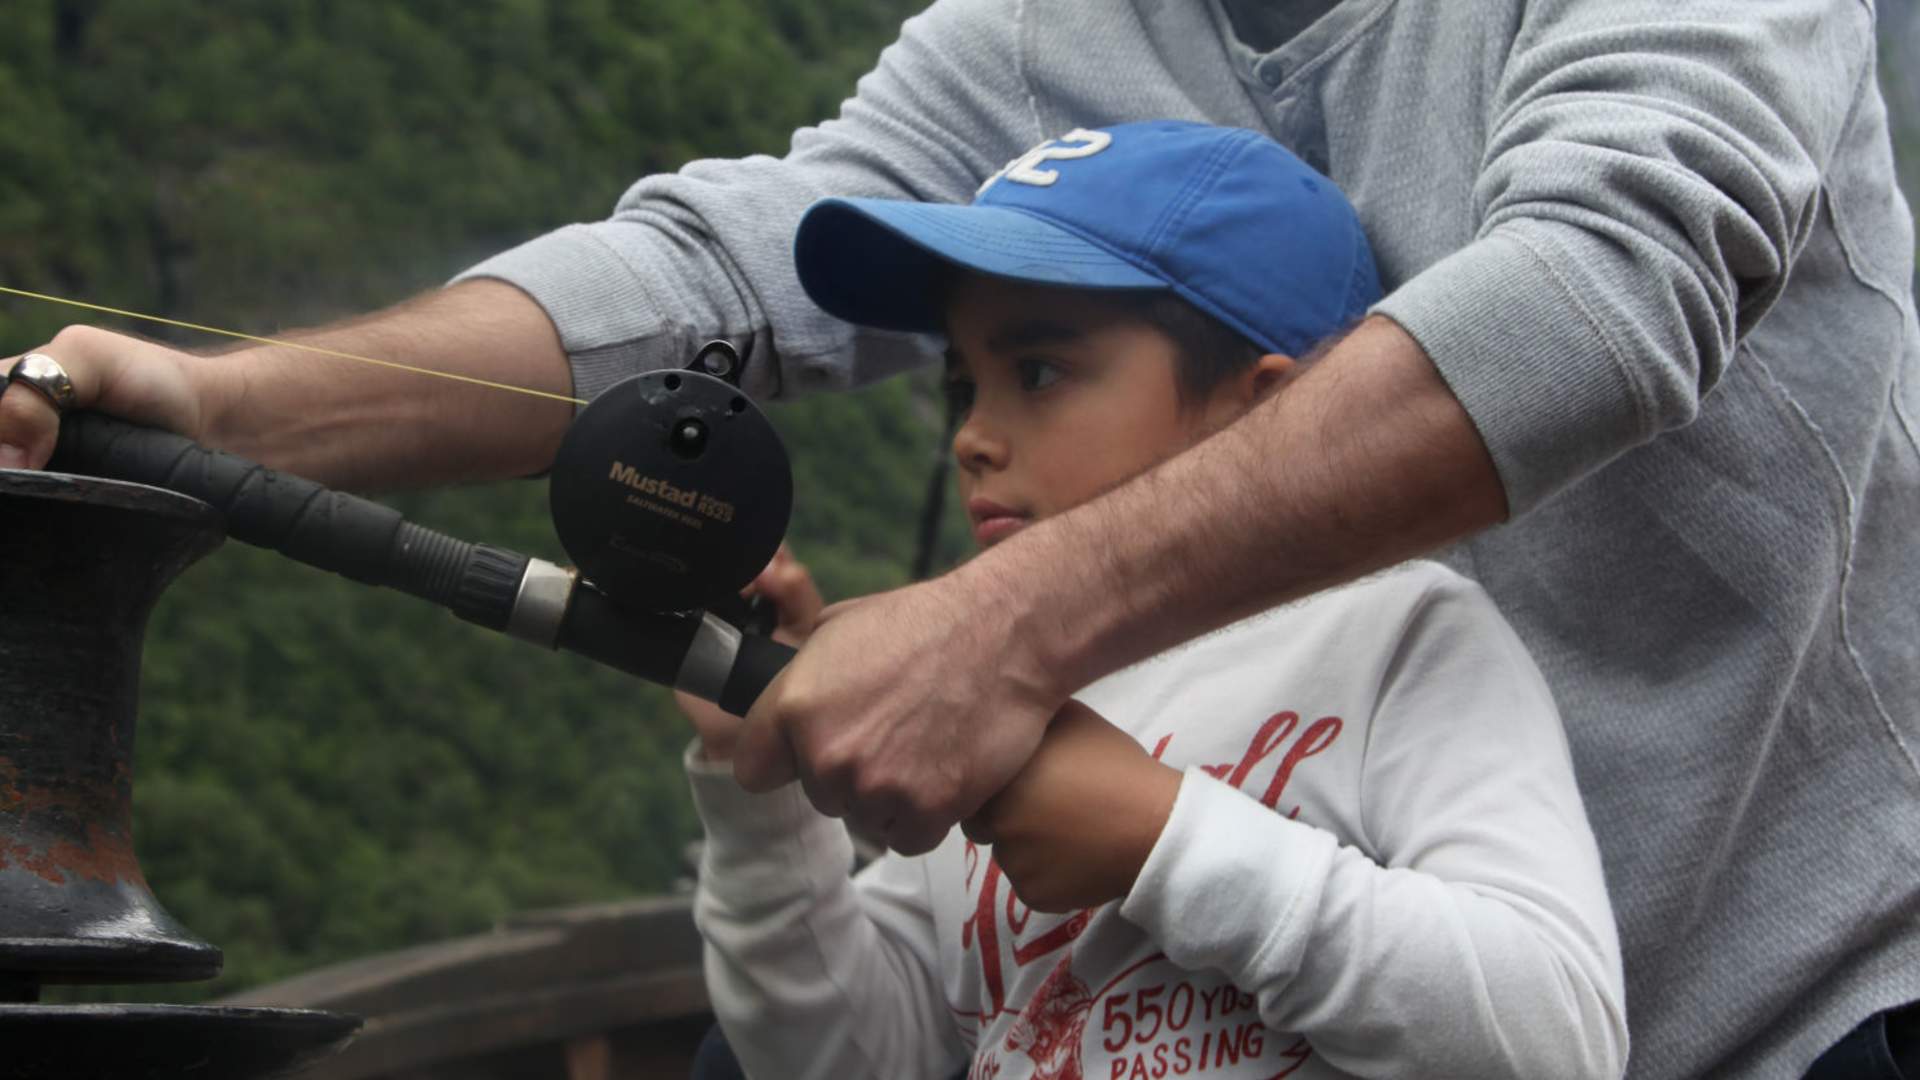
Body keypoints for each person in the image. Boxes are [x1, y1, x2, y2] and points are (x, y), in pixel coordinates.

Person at [2, 2, 1913, 1076]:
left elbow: (1622, 269)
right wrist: (229, 403)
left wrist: (1000, 629)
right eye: (958, 387)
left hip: (1793, 1003)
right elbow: (721, 265)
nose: (979, 433)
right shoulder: (1044, 38)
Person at [673, 120, 1627, 1080]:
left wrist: (1165, 843)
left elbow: (1558, 1038)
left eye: (1037, 371)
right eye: (966, 385)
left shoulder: (1401, 636)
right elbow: (850, 1057)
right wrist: (762, 794)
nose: (970, 437)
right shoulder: (977, 690)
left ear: (1267, 413)